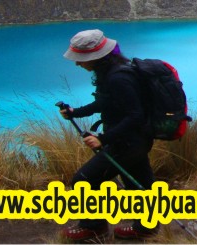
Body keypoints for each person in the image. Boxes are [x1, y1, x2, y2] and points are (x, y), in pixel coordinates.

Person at [59, 29, 156, 241]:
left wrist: (103, 139)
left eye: (81, 59)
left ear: (96, 57)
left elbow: (135, 116)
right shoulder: (115, 72)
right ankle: (145, 226)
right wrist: (77, 112)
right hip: (137, 140)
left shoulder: (117, 78)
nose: (78, 64)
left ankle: (94, 227)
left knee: (83, 180)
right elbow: (106, 102)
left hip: (127, 143)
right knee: (138, 183)